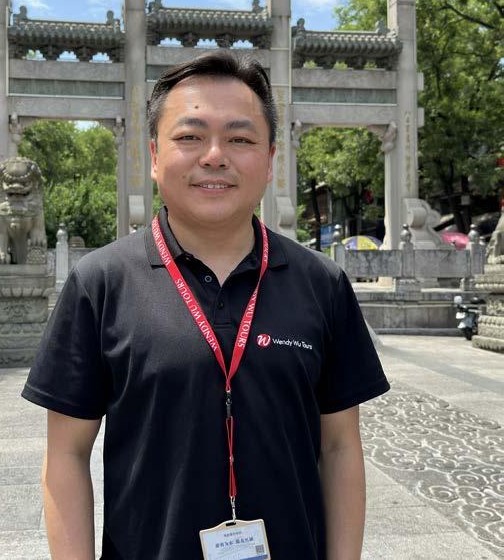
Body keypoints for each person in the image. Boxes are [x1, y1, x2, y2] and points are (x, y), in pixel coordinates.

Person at [22, 51, 390, 560]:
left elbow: (341, 447)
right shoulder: (99, 283)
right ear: (154, 156)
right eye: (190, 137)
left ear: (270, 160)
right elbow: (66, 453)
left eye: (240, 139)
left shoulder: (321, 283)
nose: (215, 156)